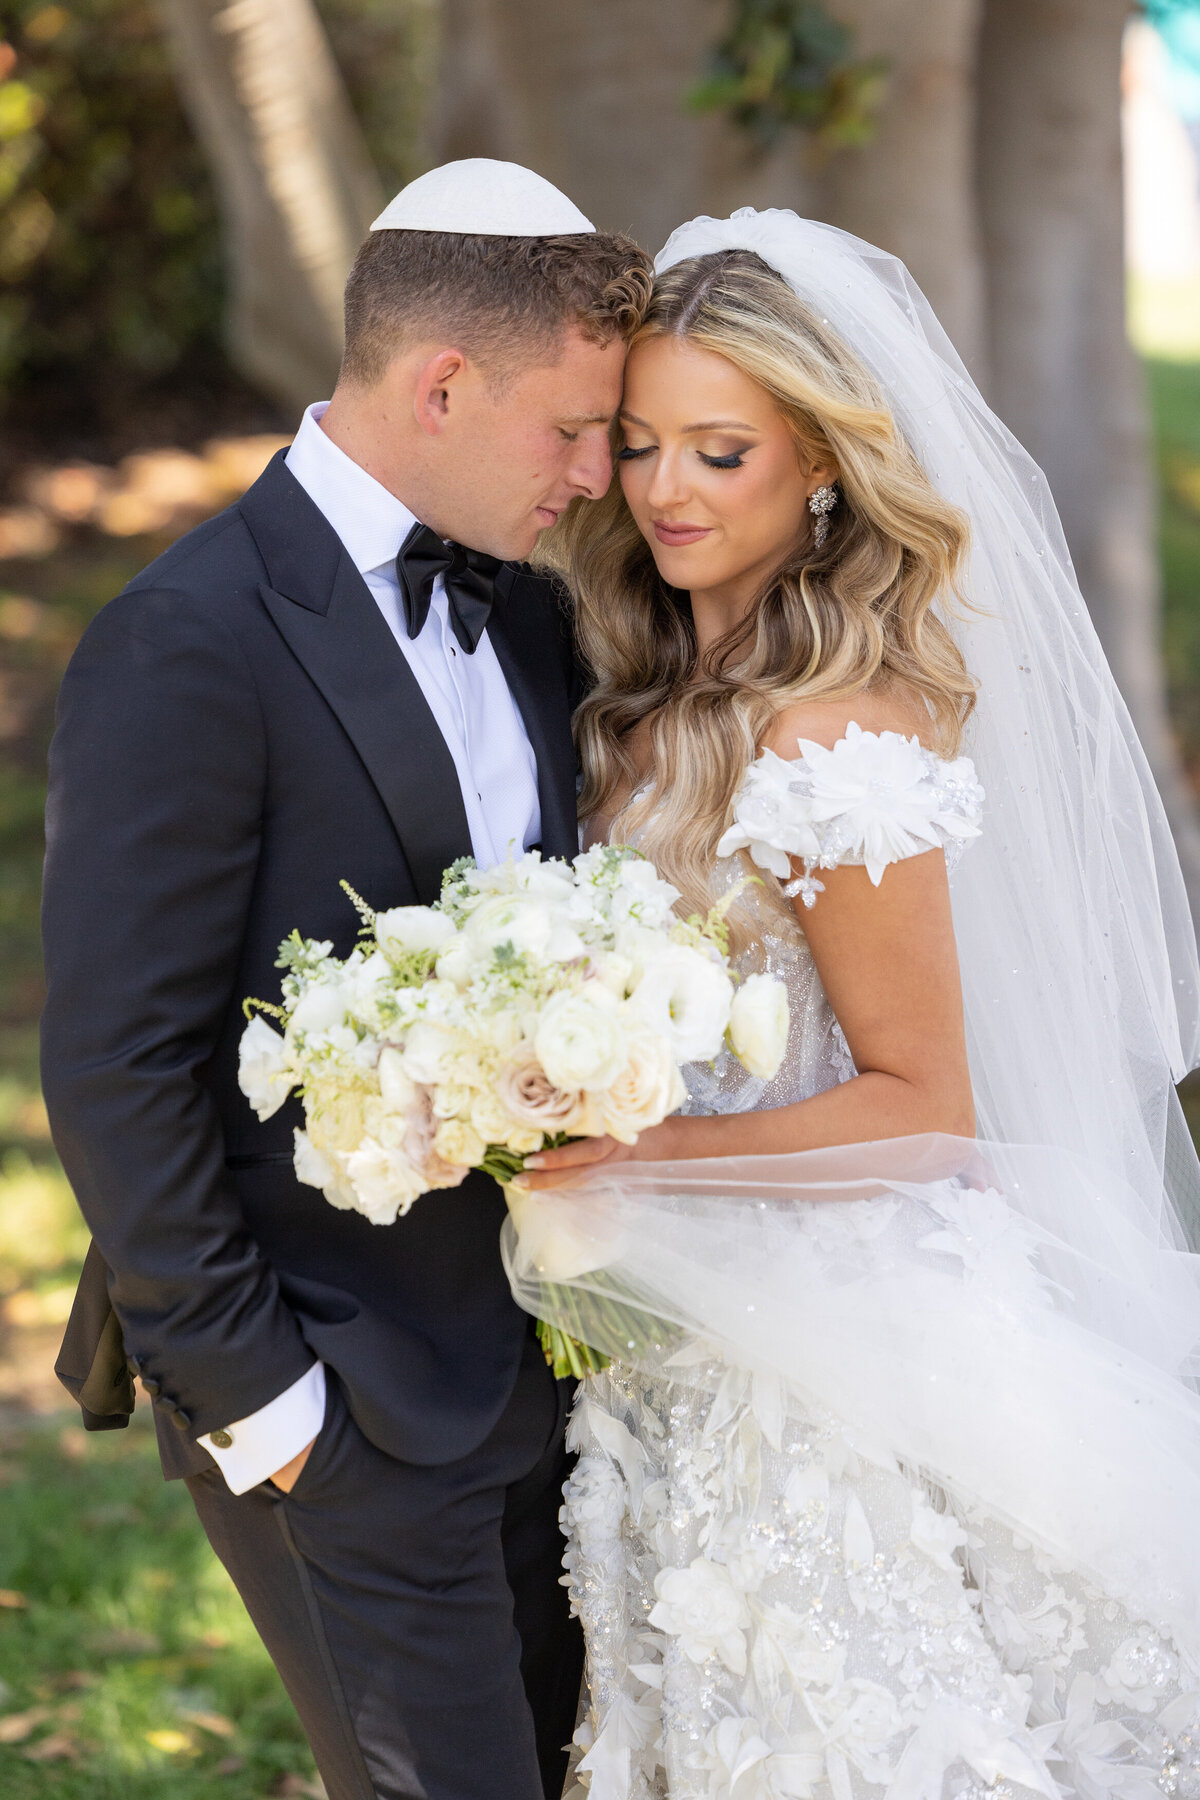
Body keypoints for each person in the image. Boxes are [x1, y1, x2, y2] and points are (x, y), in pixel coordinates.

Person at [510, 211, 1200, 1799]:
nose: (665, 490)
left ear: (822, 469)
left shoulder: (831, 743)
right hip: (679, 1329)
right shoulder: (642, 692)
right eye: (638, 445)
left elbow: (925, 1106)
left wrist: (637, 1157)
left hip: (831, 1357)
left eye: (720, 452)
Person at [41, 159, 653, 1800]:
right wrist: (277, 1416)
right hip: (343, 1404)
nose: (600, 477)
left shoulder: (523, 610)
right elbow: (115, 1068)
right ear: (441, 383)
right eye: (575, 431)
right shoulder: (189, 642)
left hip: (548, 1375)